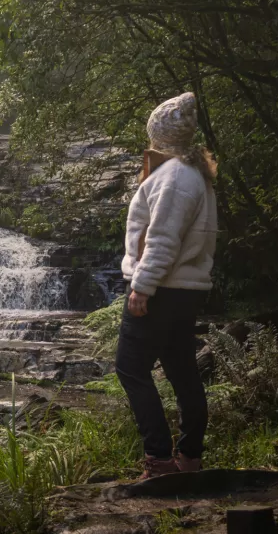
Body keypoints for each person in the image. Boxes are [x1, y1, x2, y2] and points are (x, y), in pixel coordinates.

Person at [117, 92, 218, 480]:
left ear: (158, 132)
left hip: (163, 288)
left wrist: (141, 287)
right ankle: (189, 457)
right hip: (184, 290)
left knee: (130, 367)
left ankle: (159, 460)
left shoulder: (174, 177)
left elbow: (161, 239)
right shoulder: (191, 172)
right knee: (181, 369)